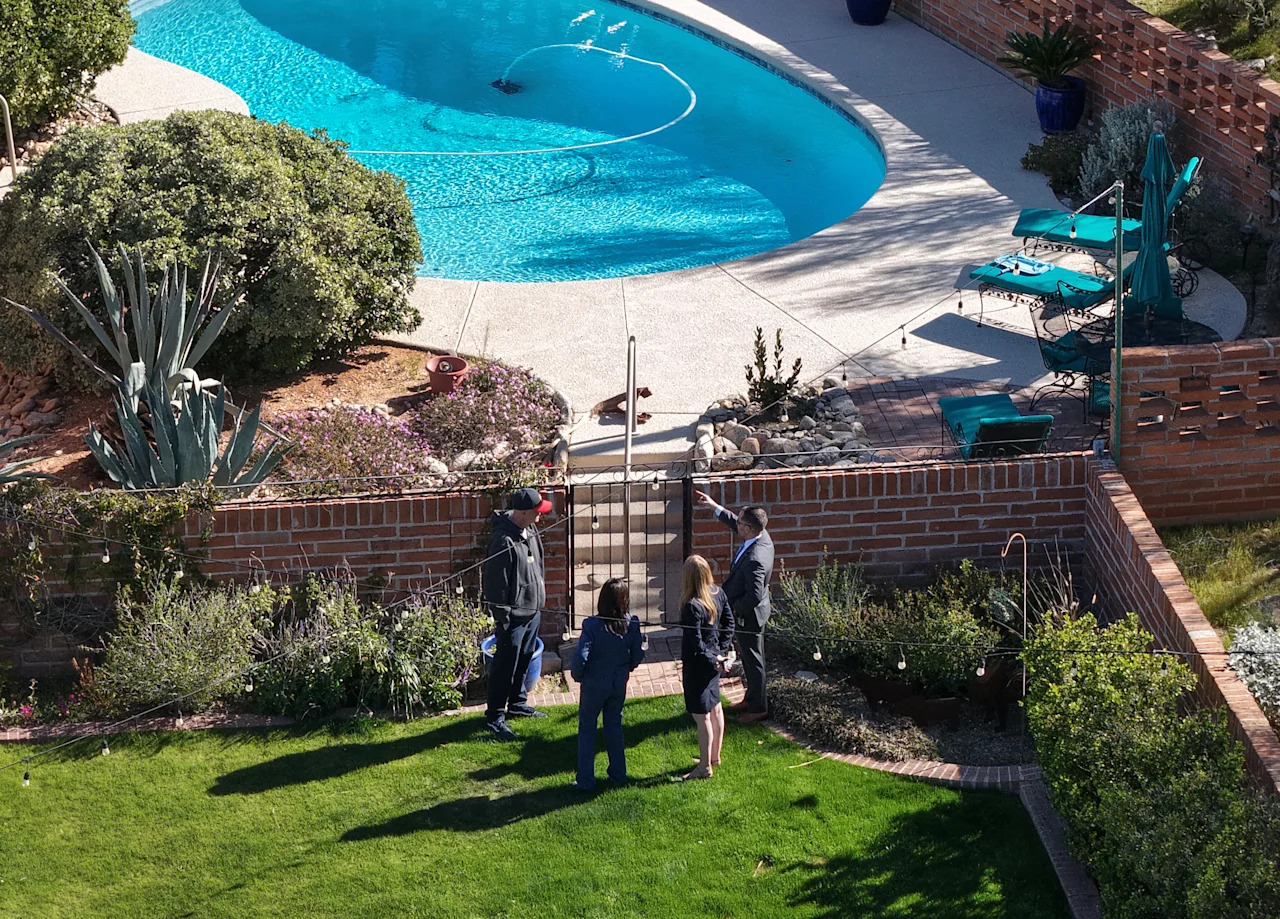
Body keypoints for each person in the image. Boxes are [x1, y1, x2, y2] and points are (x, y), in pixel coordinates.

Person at [694, 491, 774, 721]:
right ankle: (751, 698)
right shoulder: (761, 534)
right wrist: (714, 506)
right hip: (748, 613)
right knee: (748, 659)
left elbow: (753, 597)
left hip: (749, 616)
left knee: (754, 660)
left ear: (748, 529)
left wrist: (730, 610)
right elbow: (734, 521)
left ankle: (759, 708)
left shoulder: (755, 558)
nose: (735, 524)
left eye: (739, 523)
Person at [481, 486, 552, 740]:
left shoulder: (530, 530)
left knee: (524, 660)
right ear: (522, 512)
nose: (540, 515)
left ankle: (518, 704)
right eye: (536, 511)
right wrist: (504, 617)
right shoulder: (503, 541)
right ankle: (495, 716)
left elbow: (538, 565)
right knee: (505, 666)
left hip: (532, 611)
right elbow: (495, 584)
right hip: (513, 618)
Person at [569, 579, 645, 791]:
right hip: (618, 683)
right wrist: (626, 668)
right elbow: (638, 655)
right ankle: (618, 774)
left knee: (587, 729)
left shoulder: (592, 625)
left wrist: (579, 676)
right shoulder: (631, 624)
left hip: (594, 685)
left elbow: (581, 658)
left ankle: (585, 781)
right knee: (614, 727)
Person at [680, 555, 730, 780]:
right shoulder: (718, 593)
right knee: (716, 708)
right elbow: (730, 624)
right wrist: (721, 654)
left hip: (698, 666)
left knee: (703, 717)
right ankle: (714, 757)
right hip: (714, 662)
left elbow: (696, 643)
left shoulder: (692, 606)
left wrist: (713, 659)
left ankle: (704, 767)